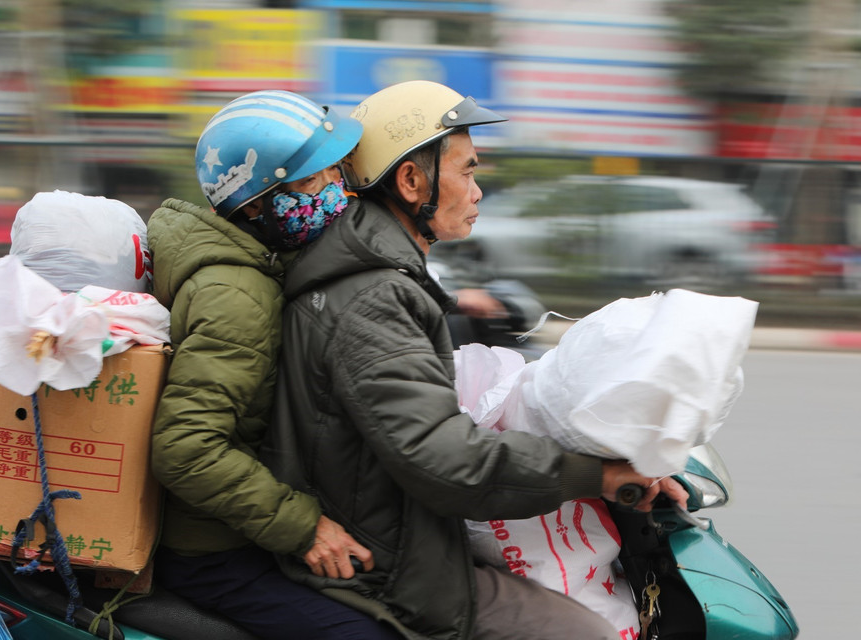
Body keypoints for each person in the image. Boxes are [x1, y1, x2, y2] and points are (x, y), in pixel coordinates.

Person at [262, 80, 688, 640]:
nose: (478, 190)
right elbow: (442, 458)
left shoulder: (386, 276)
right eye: (466, 171)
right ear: (412, 182)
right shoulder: (373, 298)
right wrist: (597, 475)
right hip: (388, 565)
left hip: (401, 528)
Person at [146, 90, 400, 639]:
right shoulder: (237, 293)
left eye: (336, 171)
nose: (337, 190)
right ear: (256, 203)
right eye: (313, 181)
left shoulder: (259, 264)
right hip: (213, 553)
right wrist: (305, 529)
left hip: (243, 530)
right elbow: (186, 447)